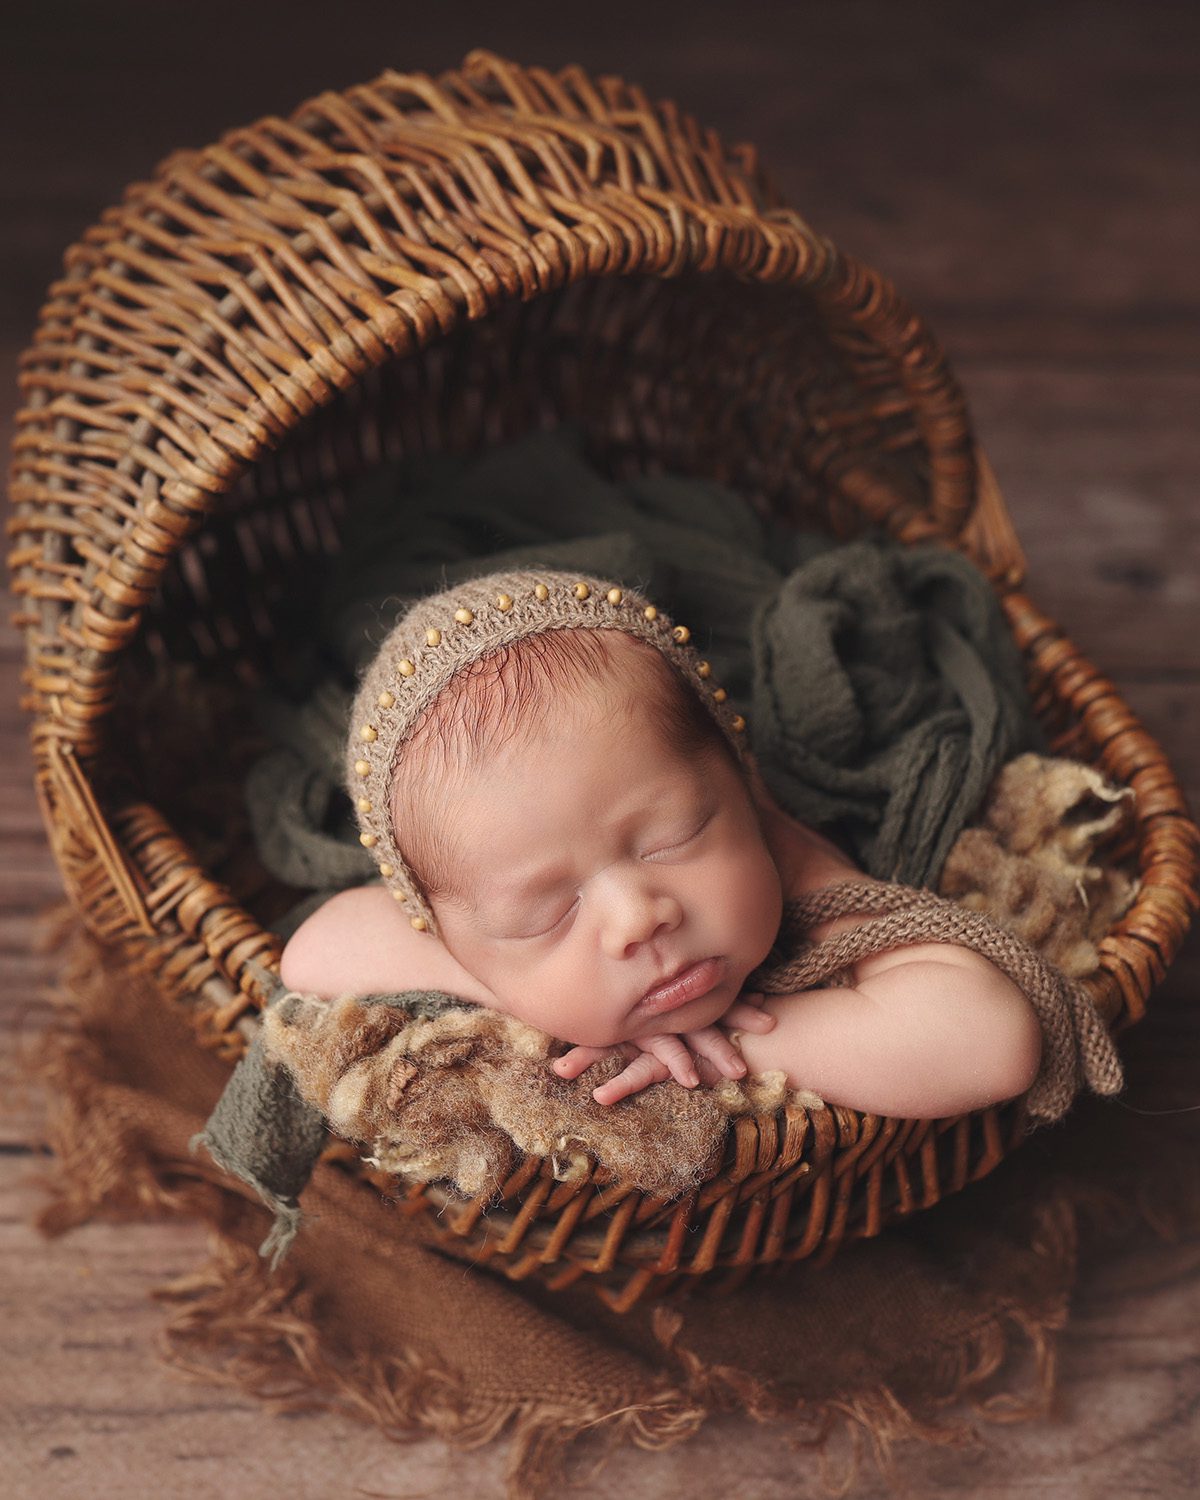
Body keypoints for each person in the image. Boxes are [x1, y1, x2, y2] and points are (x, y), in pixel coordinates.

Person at [279, 568, 1043, 1117]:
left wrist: (742, 1052)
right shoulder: (472, 913)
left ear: (745, 786)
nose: (638, 917)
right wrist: (516, 986)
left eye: (672, 837)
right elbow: (312, 952)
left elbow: (991, 1041)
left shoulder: (791, 861)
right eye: (546, 912)